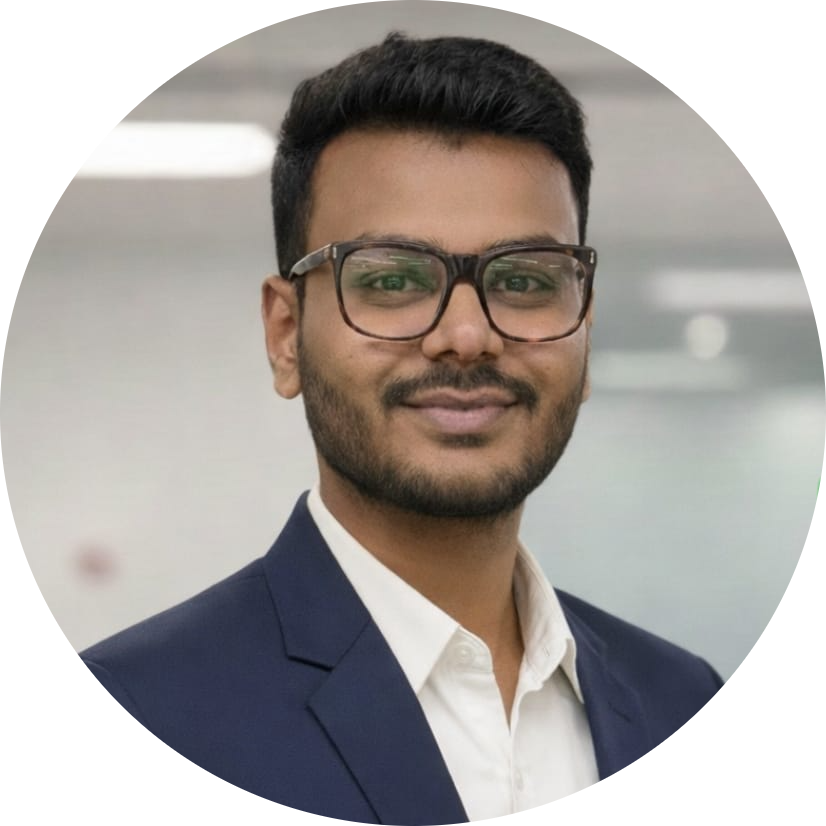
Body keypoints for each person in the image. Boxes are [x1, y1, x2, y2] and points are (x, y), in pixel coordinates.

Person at [80, 32, 723, 820]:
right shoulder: (149, 705)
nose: (467, 336)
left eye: (525, 280)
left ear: (584, 335)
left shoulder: (679, 697)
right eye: (391, 280)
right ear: (286, 335)